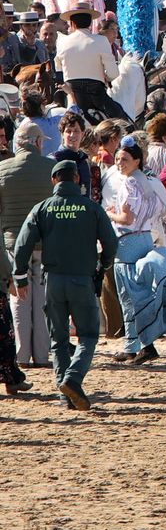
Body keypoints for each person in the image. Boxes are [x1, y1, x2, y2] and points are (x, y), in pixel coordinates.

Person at [10, 159, 118, 410]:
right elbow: (111, 243)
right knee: (88, 335)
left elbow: (22, 244)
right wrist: (103, 266)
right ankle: (73, 378)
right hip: (82, 279)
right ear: (77, 179)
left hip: (53, 281)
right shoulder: (92, 208)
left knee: (58, 340)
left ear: (53, 180)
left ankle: (64, 395)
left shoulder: (43, 208)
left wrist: (20, 277)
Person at [104, 140, 166, 363]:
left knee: (129, 295)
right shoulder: (148, 180)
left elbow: (126, 218)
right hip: (146, 237)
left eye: (124, 159)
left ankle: (141, 345)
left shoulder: (129, 183)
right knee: (141, 292)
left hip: (128, 241)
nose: (119, 163)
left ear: (137, 160)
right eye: (118, 159)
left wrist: (109, 214)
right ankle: (134, 345)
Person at [1, 120, 55, 369]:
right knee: (42, 299)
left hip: (13, 242)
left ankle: (21, 355)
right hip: (44, 242)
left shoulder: (3, 169)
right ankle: (42, 355)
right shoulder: (51, 169)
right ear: (37, 143)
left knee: (19, 299)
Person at [56, 2, 129, 123]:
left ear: (72, 23)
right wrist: (106, 77)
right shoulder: (101, 41)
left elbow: (59, 69)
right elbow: (114, 73)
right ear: (90, 22)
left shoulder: (62, 41)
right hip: (96, 96)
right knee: (122, 121)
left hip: (70, 94)